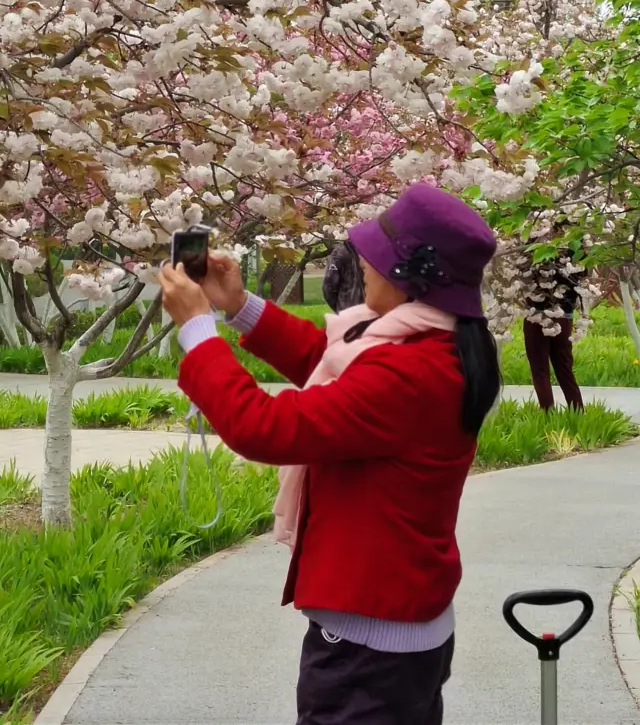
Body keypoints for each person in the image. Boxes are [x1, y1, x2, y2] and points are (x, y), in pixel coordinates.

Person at [160, 183, 501, 725]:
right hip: (400, 627)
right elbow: (335, 364)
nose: (363, 263)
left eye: (377, 256)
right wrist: (238, 305)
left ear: (410, 279)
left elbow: (263, 428)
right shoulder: (435, 344)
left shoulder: (410, 373)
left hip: (370, 647)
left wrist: (199, 331)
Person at [522, 252, 586, 412]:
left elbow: (523, 274)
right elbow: (581, 278)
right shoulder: (576, 247)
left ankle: (548, 414)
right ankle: (577, 412)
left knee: (540, 369)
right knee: (564, 368)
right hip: (565, 313)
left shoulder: (534, 246)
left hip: (536, 313)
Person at [322, 239, 364, 313]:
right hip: (349, 310)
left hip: (349, 309)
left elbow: (328, 286)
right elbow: (329, 286)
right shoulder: (340, 253)